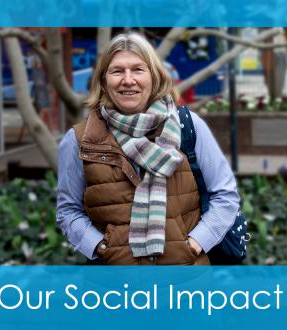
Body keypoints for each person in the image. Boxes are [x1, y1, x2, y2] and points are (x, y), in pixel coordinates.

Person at [56, 32, 240, 265]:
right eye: (117, 71)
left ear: (154, 77)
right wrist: (102, 247)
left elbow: (225, 195)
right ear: (103, 81)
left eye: (138, 69)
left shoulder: (188, 127)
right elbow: (68, 211)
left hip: (186, 282)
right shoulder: (79, 140)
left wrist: (194, 244)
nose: (128, 79)